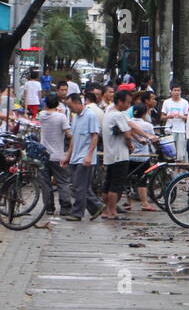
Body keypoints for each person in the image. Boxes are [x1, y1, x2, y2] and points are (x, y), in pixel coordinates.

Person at [66, 90, 103, 221]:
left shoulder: (90, 115)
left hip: (85, 156)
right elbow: (73, 138)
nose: (70, 109)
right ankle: (96, 206)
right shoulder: (75, 117)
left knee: (79, 186)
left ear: (77, 103)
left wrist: (89, 155)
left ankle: (77, 213)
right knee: (78, 185)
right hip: (75, 155)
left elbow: (95, 136)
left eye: (70, 106)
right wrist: (68, 155)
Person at [38, 92, 73, 218]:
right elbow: (69, 134)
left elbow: (44, 111)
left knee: (45, 183)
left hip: (43, 155)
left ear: (46, 104)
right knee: (63, 182)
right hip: (58, 155)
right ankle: (65, 208)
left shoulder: (41, 115)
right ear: (58, 104)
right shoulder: (61, 117)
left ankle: (49, 208)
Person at [101, 90, 134, 219]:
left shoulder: (107, 114)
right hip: (120, 154)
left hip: (109, 153)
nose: (128, 106)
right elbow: (127, 133)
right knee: (116, 184)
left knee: (108, 183)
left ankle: (105, 210)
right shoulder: (118, 115)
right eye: (127, 103)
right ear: (120, 102)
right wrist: (130, 144)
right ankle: (112, 211)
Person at [128, 102, 160, 212]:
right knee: (142, 180)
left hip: (130, 156)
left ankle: (128, 202)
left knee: (128, 179)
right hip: (143, 157)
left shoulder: (129, 123)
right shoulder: (148, 126)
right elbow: (152, 139)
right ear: (144, 113)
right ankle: (144, 203)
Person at [162, 84, 189, 161]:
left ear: (181, 92)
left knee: (180, 154)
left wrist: (180, 116)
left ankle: (179, 169)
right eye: (175, 90)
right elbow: (162, 117)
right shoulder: (166, 102)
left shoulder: (185, 102)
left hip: (181, 130)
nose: (177, 92)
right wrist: (168, 116)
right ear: (171, 91)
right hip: (169, 129)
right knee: (169, 153)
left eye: (178, 90)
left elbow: (188, 117)